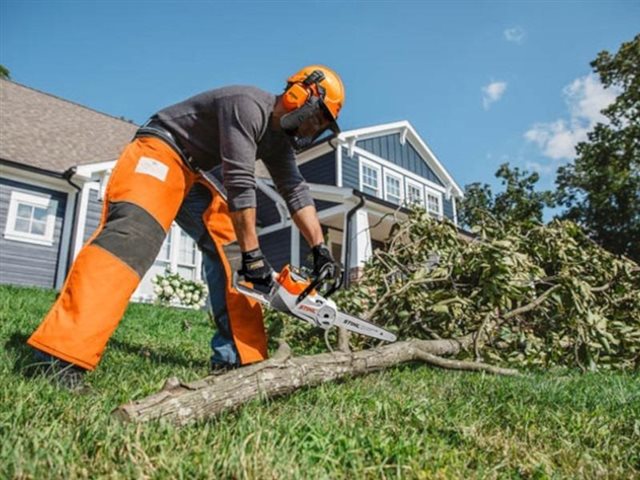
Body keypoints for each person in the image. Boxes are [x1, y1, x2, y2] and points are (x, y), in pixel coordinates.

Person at [27, 65, 345, 389]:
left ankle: (239, 360)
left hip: (195, 174)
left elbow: (295, 190)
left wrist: (320, 250)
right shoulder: (246, 104)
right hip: (160, 150)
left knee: (234, 256)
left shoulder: (277, 142)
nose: (313, 128)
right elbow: (239, 181)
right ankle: (59, 355)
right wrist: (255, 255)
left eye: (321, 126)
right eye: (316, 117)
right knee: (132, 237)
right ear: (298, 96)